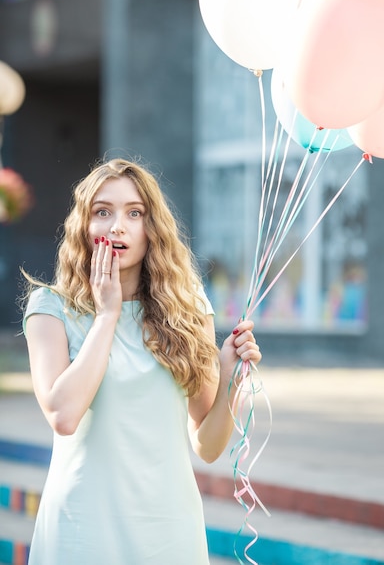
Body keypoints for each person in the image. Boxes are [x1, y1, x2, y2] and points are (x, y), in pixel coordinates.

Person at [21, 157, 262, 565]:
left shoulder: (189, 310)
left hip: (168, 530)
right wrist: (107, 315)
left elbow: (207, 445)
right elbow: (63, 415)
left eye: (135, 213)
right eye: (103, 212)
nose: (118, 226)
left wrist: (231, 378)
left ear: (152, 229)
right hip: (82, 529)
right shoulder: (50, 308)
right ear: (84, 226)